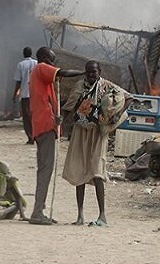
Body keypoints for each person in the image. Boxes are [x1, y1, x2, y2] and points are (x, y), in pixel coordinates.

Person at [61, 60, 132, 227]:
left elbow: (129, 97)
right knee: (79, 169)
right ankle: (80, 216)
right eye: (89, 72)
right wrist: (62, 123)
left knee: (97, 170)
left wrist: (117, 114)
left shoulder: (106, 86)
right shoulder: (80, 86)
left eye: (94, 72)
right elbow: (70, 106)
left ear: (99, 72)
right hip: (80, 130)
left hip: (98, 133)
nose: (91, 75)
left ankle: (102, 215)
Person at [28, 46, 85, 225]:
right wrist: (84, 72)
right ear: (44, 58)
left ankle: (40, 209)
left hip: (47, 125)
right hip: (44, 126)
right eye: (52, 60)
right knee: (45, 169)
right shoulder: (41, 68)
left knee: (45, 169)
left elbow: (48, 103)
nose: (54, 64)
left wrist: (56, 117)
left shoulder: (43, 79)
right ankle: (37, 212)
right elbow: (64, 72)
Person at [12, 47, 37, 144]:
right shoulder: (37, 63)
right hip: (36, 94)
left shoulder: (21, 65)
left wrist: (14, 94)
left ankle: (30, 137)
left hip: (25, 94)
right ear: (31, 54)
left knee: (26, 117)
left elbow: (18, 81)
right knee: (34, 115)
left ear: (23, 54)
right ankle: (36, 135)